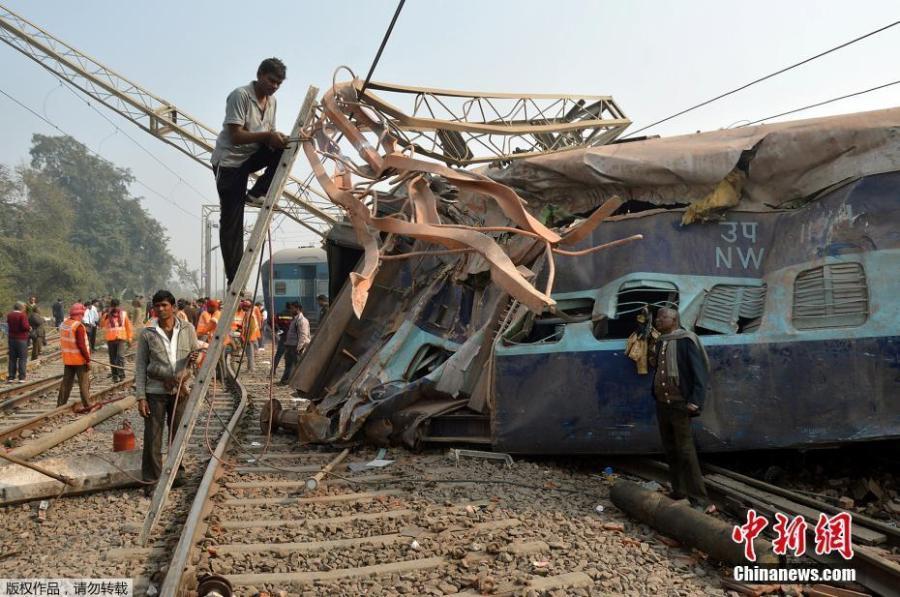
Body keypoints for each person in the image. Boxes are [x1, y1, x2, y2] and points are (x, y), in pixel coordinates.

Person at [211, 57, 289, 289]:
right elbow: (235, 135)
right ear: (260, 75)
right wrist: (267, 137)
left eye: (278, 83)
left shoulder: (272, 102)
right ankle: (234, 277)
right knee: (232, 221)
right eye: (271, 80)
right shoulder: (241, 95)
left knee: (286, 148)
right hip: (230, 163)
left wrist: (275, 138)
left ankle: (257, 192)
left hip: (251, 156)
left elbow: (270, 132)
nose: (274, 86)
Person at [134, 290, 200, 493]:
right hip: (155, 390)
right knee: (153, 436)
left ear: (173, 307)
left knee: (177, 435)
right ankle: (152, 481)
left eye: (164, 305)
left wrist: (187, 372)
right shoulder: (147, 333)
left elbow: (194, 358)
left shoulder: (187, 329)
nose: (160, 309)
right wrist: (141, 397)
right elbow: (140, 366)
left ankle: (176, 473)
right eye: (157, 306)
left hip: (180, 391)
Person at [650, 307, 711, 509]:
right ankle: (679, 491)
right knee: (670, 449)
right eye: (657, 317)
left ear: (674, 319)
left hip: (680, 404)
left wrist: (695, 400)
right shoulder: (660, 342)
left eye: (663, 317)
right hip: (662, 404)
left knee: (685, 451)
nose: (658, 320)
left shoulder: (687, 340)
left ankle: (700, 499)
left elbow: (699, 373)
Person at [57, 303, 93, 408]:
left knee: (66, 384)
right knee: (84, 384)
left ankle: (60, 404)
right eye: (82, 314)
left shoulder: (64, 324)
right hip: (79, 360)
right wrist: (88, 360)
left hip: (68, 360)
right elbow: (82, 345)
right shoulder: (78, 327)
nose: (83, 316)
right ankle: (87, 405)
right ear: (79, 314)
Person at [101, 298, 133, 382]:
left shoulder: (123, 314)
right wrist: (104, 315)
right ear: (111, 306)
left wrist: (129, 338)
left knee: (120, 356)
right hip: (110, 339)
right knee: (112, 358)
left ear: (119, 306)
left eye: (116, 306)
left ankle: (121, 375)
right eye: (113, 306)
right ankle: (115, 376)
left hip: (121, 339)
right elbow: (101, 325)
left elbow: (128, 327)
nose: (115, 307)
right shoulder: (107, 315)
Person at [277, 302, 310, 385]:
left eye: (292, 308)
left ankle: (301, 383)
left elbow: (303, 335)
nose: (290, 310)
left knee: (298, 366)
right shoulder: (295, 319)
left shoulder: (302, 321)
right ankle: (285, 381)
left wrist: (299, 348)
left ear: (297, 309)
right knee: (288, 365)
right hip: (290, 346)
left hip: (296, 347)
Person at [6, 302, 31, 383]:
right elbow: (24, 327)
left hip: (11, 339)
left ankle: (11, 377)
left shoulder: (9, 315)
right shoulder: (22, 315)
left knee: (12, 358)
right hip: (21, 339)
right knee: (22, 358)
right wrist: (29, 328)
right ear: (21, 308)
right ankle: (21, 377)